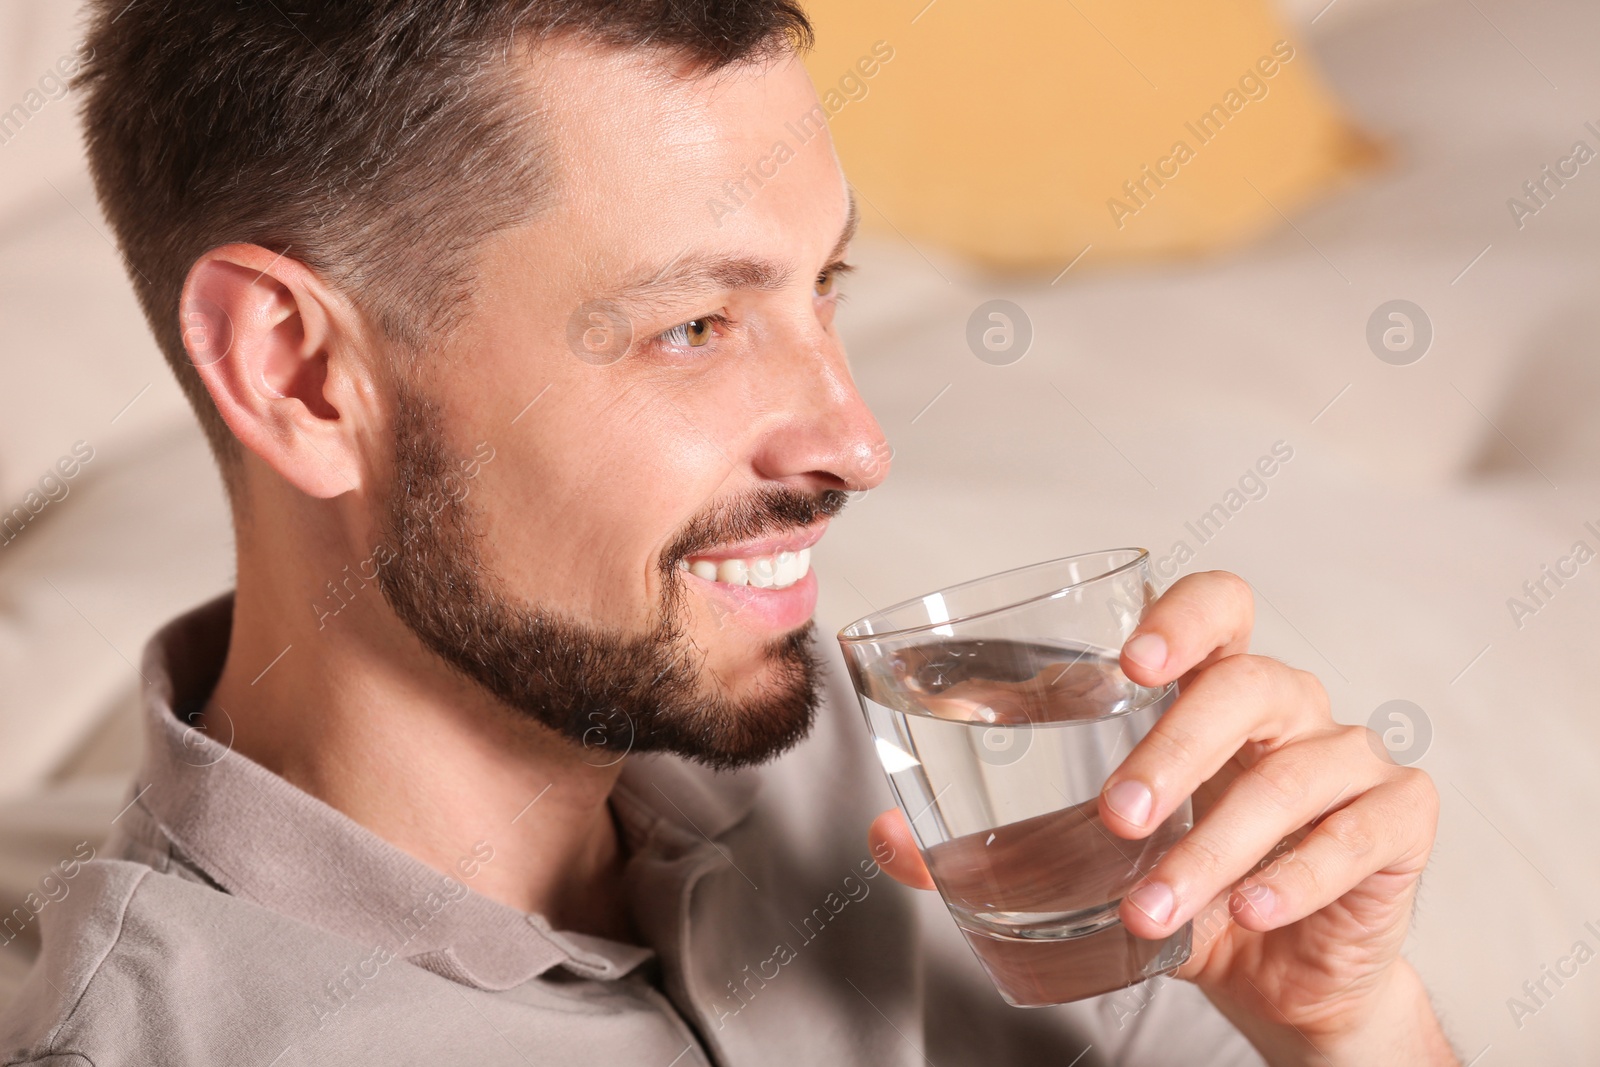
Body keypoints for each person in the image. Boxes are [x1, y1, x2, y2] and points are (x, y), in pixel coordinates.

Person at [0, 1, 1455, 1063]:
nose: (855, 444)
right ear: (300, 375)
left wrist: (1346, 1027)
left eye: (823, 286)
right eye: (695, 324)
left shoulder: (919, 785)